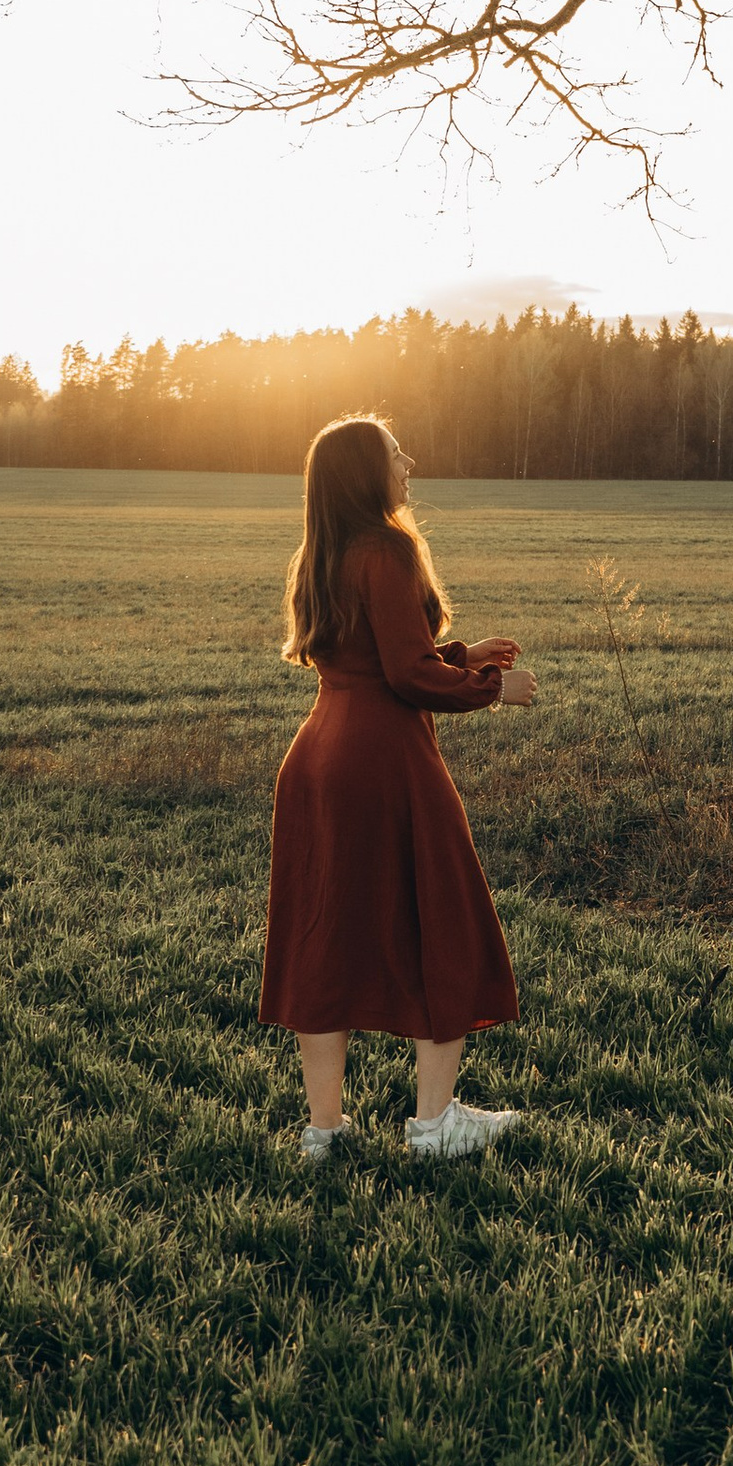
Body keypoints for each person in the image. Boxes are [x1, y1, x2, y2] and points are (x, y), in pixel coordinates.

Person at [261, 413, 538, 1161]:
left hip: (319, 760)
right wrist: (492, 687)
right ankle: (434, 1124)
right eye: (393, 452)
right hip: (384, 763)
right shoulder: (388, 548)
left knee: (326, 941)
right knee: (441, 922)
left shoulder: (320, 553)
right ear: (364, 472)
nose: (408, 461)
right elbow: (405, 677)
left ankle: (323, 1132)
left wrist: (458, 653)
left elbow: (371, 655)